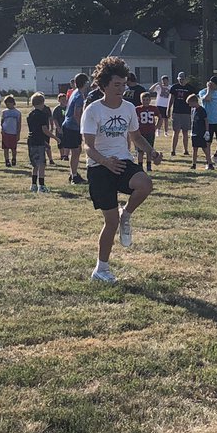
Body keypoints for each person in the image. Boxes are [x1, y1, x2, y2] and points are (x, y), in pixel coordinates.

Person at [82, 56, 164, 284]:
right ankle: (101, 269)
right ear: (104, 85)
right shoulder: (93, 110)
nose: (122, 89)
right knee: (110, 223)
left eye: (124, 84)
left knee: (145, 184)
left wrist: (151, 152)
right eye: (117, 84)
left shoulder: (129, 108)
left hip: (123, 162)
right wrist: (105, 161)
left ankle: (126, 213)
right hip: (99, 167)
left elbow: (135, 137)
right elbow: (87, 145)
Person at [61, 74, 89, 185]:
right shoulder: (78, 96)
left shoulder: (75, 92)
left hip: (70, 125)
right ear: (85, 83)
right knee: (76, 151)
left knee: (76, 151)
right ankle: (74, 176)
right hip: (72, 126)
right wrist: (81, 127)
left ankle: (73, 173)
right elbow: (77, 114)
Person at [26, 92, 52, 192]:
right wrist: (55, 138)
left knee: (35, 164)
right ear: (42, 103)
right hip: (39, 141)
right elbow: (44, 130)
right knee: (42, 164)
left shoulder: (30, 115)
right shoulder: (43, 115)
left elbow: (34, 129)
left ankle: (33, 185)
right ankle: (41, 185)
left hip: (31, 140)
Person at [199, 77, 217, 166]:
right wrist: (209, 89)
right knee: (208, 143)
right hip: (208, 121)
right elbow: (207, 99)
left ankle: (216, 155)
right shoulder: (203, 92)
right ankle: (208, 162)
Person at [169, 71, 192, 157]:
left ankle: (185, 150)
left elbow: (192, 100)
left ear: (186, 79)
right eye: (180, 79)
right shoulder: (174, 87)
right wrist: (168, 109)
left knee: (185, 132)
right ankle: (173, 150)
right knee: (176, 131)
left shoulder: (190, 88)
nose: (181, 81)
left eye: (183, 79)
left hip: (186, 112)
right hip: (176, 112)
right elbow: (171, 99)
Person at [135, 90, 159, 171]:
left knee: (150, 150)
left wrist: (157, 126)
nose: (145, 102)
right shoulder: (137, 109)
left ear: (150, 100)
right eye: (144, 100)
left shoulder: (154, 108)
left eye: (147, 100)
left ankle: (149, 166)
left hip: (150, 132)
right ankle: (140, 166)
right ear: (141, 100)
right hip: (141, 132)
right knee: (140, 151)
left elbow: (160, 117)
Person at [189, 93, 212, 170]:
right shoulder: (193, 110)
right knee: (194, 148)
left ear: (194, 101)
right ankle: (194, 164)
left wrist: (207, 131)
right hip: (194, 132)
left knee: (204, 148)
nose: (189, 105)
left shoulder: (202, 110)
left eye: (190, 103)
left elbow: (206, 120)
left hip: (201, 132)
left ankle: (210, 163)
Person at [0, 94, 22, 166]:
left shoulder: (17, 113)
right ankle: (7, 161)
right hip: (6, 132)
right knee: (5, 148)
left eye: (9, 103)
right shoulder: (4, 112)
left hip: (13, 132)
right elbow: (1, 122)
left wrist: (18, 134)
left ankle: (14, 159)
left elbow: (19, 124)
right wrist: (2, 129)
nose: (7, 105)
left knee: (13, 148)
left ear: (13, 103)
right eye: (6, 103)